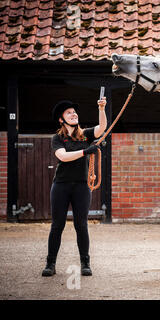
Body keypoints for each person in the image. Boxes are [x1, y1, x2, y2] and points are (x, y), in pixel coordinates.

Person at [42, 97, 107, 277]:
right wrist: (86, 151)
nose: (74, 114)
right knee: (57, 225)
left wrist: (101, 108)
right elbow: (63, 156)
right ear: (61, 119)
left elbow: (102, 128)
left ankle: (85, 262)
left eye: (75, 112)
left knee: (81, 225)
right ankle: (50, 263)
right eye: (69, 112)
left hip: (81, 186)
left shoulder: (85, 134)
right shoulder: (58, 138)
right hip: (61, 185)